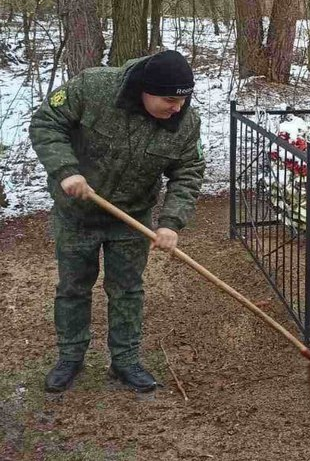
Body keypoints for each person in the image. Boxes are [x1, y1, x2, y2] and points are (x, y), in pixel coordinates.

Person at [30, 50, 205, 394]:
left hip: (131, 217)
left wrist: (170, 222)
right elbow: (46, 122)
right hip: (77, 212)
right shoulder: (94, 87)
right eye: (170, 100)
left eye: (184, 100)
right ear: (145, 89)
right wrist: (66, 170)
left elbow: (188, 171)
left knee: (127, 290)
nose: (178, 108)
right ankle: (70, 357)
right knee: (73, 288)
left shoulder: (185, 123)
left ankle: (125, 360)